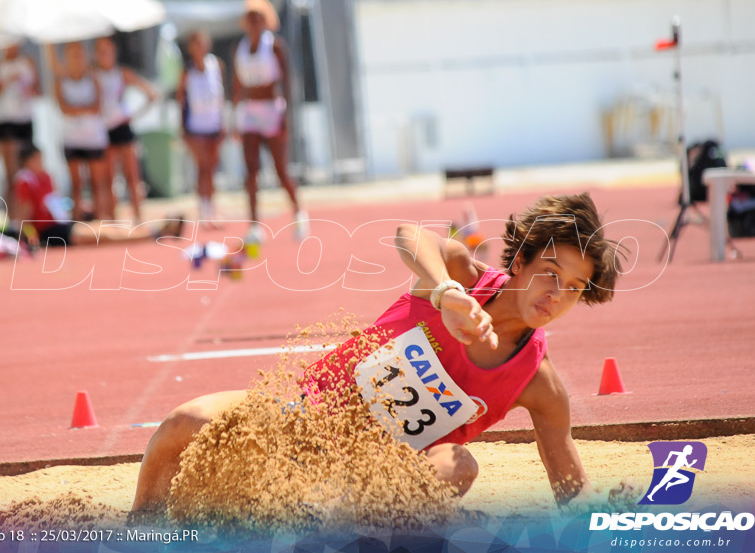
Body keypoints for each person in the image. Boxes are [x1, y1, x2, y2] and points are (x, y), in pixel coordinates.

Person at [129, 193, 622, 518]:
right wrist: (447, 294)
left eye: (576, 288)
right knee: (184, 421)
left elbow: (571, 492)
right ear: (519, 262)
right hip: (306, 421)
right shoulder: (460, 274)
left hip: (375, 480)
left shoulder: (540, 384)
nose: (557, 294)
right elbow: (410, 234)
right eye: (551, 273)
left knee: (458, 465)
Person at [232, 0, 306, 241]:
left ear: (266, 21)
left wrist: (287, 116)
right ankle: (254, 226)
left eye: (258, 18)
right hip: (251, 112)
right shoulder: (240, 49)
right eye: (250, 18)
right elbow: (237, 85)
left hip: (272, 110)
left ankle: (298, 212)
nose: (253, 23)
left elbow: (286, 82)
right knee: (251, 170)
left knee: (280, 170)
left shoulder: (274, 46)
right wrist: (234, 117)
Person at [12, 144, 184, 246]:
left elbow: (53, 204)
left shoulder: (44, 177)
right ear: (28, 161)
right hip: (51, 231)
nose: (42, 163)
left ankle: (157, 230)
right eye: (38, 159)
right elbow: (25, 212)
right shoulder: (25, 180)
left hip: (62, 224)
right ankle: (154, 233)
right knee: (104, 236)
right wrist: (28, 236)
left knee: (105, 227)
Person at [93, 37, 159, 223]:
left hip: (122, 128)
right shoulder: (93, 75)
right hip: (103, 131)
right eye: (101, 51)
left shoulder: (122, 74)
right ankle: (114, 221)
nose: (105, 55)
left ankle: (139, 219)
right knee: (109, 179)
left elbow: (151, 94)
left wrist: (133, 115)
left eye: (108, 51)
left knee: (132, 176)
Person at [49, 42, 109, 221]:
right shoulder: (61, 80)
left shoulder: (93, 78)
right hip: (72, 138)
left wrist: (76, 109)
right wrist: (84, 109)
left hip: (94, 137)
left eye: (79, 54)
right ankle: (77, 222)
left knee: (97, 183)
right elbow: (63, 108)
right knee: (76, 184)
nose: (77, 58)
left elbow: (97, 106)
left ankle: (100, 221)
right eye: (73, 54)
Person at [176, 30, 227, 226]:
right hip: (195, 126)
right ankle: (204, 210)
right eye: (195, 43)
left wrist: (224, 122)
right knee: (202, 167)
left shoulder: (217, 65)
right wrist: (182, 128)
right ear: (191, 48)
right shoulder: (187, 71)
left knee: (212, 168)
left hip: (214, 123)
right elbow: (180, 99)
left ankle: (212, 208)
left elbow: (222, 96)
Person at [0, 44, 41, 203]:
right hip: (6, 121)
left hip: (25, 119)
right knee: (12, 174)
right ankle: (12, 217)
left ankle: (27, 215)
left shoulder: (28, 61)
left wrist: (29, 90)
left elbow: (38, 90)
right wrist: (5, 83)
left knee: (27, 171)